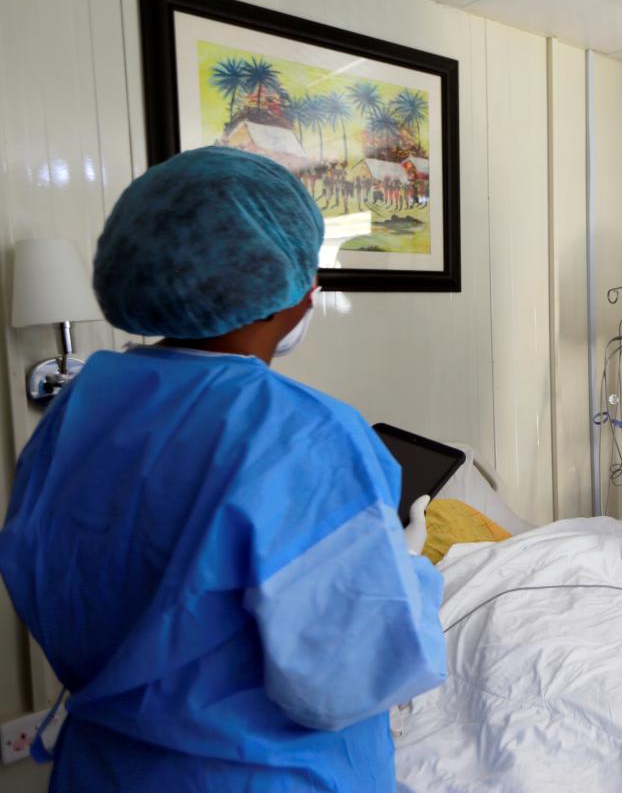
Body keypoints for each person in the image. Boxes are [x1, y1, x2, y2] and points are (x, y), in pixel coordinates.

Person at [0, 147, 446, 791]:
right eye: (309, 269)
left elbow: (58, 584)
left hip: (105, 770)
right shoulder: (302, 434)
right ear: (276, 293)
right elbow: (351, 679)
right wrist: (409, 576)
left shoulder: (80, 406)